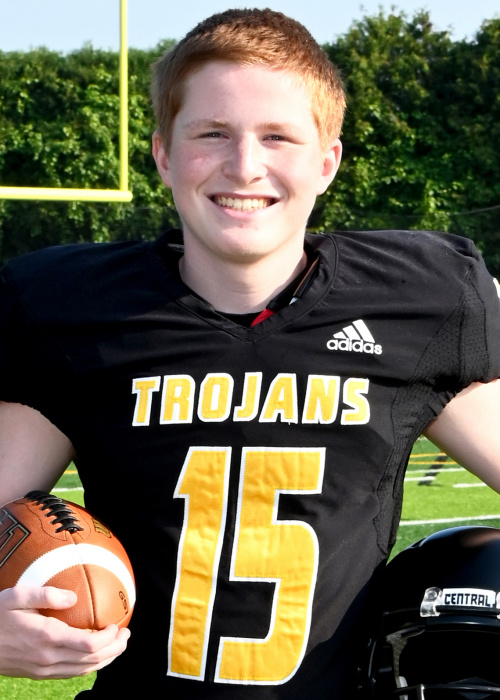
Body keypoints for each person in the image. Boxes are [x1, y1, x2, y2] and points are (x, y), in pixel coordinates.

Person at [0, 7, 499, 699]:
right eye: (212, 133)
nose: (244, 165)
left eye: (277, 136)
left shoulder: (420, 303)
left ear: (327, 162)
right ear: (163, 154)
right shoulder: (72, 311)